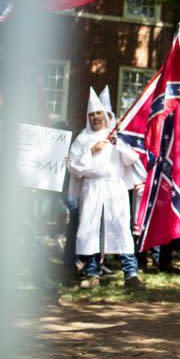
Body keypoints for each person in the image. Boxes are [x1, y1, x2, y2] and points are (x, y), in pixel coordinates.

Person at [68, 87, 144, 290]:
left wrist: (118, 142)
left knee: (120, 228)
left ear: (105, 115)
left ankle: (131, 274)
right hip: (91, 188)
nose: (95, 117)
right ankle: (92, 273)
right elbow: (73, 166)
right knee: (90, 229)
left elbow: (132, 158)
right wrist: (91, 151)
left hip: (114, 187)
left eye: (98, 113)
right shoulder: (82, 139)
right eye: (91, 114)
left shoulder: (117, 136)